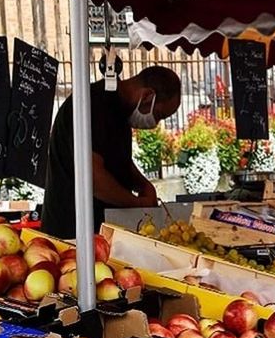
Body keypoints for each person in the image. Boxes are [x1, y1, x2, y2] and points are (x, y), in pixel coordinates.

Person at [41, 66, 183, 239]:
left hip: (100, 230)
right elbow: (93, 179)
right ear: (147, 96)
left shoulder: (119, 110)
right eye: (158, 115)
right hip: (72, 232)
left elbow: (117, 159)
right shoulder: (94, 105)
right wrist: (137, 203)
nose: (155, 123)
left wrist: (143, 184)